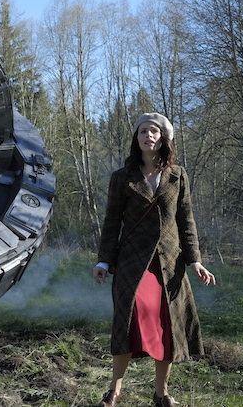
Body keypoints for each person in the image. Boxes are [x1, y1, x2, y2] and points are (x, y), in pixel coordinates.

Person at [92, 112, 216, 407]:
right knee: (129, 319)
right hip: (132, 261)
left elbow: (186, 220)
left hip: (169, 263)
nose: (148, 135)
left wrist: (195, 260)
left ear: (164, 138)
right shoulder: (122, 178)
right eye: (143, 131)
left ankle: (161, 394)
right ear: (136, 139)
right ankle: (114, 390)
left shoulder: (178, 175)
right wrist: (103, 261)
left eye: (154, 131)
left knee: (166, 325)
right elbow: (112, 222)